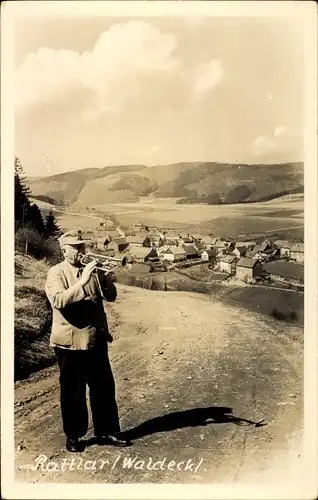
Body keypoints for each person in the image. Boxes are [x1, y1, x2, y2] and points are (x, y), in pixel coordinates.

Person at [45, 230, 130, 452]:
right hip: (70, 343)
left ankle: (107, 431)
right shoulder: (56, 273)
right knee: (73, 392)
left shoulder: (91, 271)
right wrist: (82, 282)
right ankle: (74, 436)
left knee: (103, 387)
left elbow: (110, 296)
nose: (81, 251)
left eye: (82, 246)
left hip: (95, 338)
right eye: (76, 247)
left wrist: (104, 279)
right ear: (64, 250)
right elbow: (58, 301)